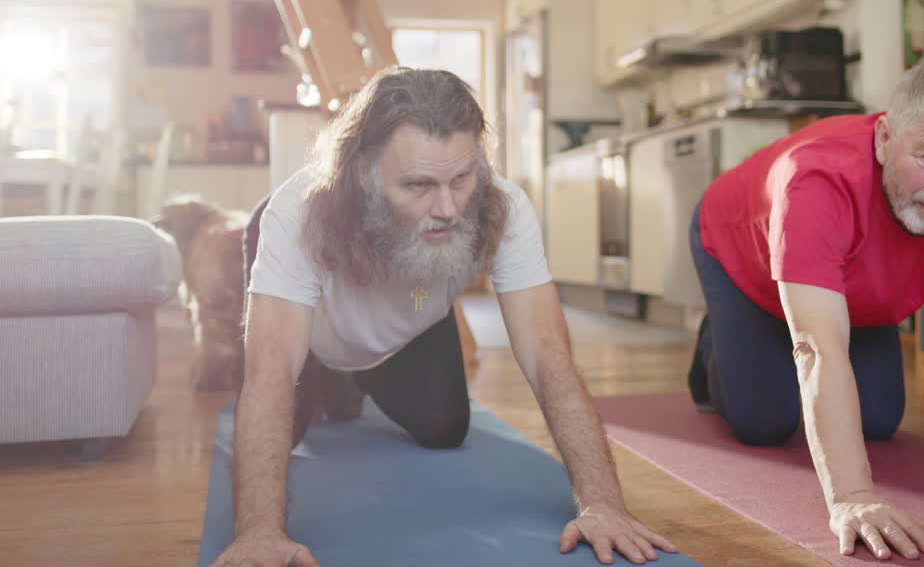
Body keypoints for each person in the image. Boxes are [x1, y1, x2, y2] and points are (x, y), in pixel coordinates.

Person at [212, 67, 676, 567]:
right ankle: (332, 379)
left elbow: (547, 354)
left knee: (445, 428)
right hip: (311, 333)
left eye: (461, 177)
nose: (449, 207)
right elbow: (271, 371)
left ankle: (358, 380)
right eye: (418, 185)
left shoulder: (502, 206)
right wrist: (259, 532)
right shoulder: (298, 215)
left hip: (408, 319)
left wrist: (603, 502)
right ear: (364, 173)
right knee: (289, 433)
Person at [686, 60, 924, 560]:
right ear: (885, 137)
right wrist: (853, 498)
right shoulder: (816, 177)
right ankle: (717, 338)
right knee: (763, 423)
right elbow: (817, 345)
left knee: (878, 420)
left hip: (859, 292)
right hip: (743, 260)